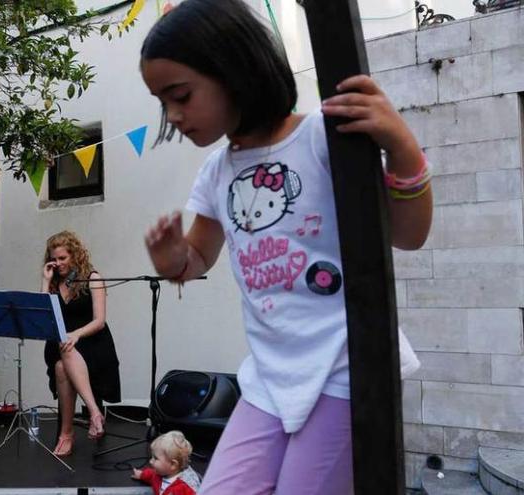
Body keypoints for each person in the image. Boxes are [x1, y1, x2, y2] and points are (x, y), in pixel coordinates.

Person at [139, 0, 432, 493]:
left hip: (343, 369)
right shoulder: (216, 172)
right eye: (162, 102)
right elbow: (196, 259)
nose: (173, 114)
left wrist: (401, 146)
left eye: (181, 95)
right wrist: (170, 258)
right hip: (270, 378)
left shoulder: (323, 137)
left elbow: (409, 234)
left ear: (233, 69)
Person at [41, 230, 120, 456]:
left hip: (92, 343)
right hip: (63, 346)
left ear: (75, 256)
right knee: (61, 359)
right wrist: (45, 281)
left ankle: (68, 433)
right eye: (54, 259)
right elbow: (43, 315)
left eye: (62, 258)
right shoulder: (55, 283)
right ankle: (94, 414)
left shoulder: (92, 278)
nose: (58, 263)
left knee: (62, 359)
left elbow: (99, 322)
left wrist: (75, 334)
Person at [132, 430, 201, 495]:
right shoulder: (162, 473)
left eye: (156, 458)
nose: (150, 461)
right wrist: (142, 475)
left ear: (173, 464)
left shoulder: (186, 488)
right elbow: (151, 475)